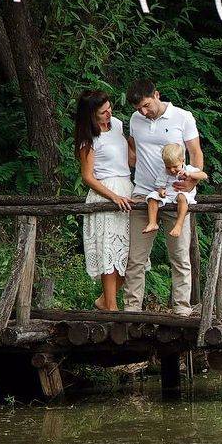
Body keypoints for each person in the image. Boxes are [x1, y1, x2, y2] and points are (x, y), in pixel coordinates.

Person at [123, 81, 203, 314]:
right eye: (139, 108)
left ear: (156, 95)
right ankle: (132, 310)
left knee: (179, 256)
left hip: (177, 192)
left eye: (146, 106)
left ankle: (181, 309)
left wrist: (192, 181)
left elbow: (196, 152)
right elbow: (134, 150)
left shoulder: (182, 117)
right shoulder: (135, 120)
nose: (143, 112)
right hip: (145, 192)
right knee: (136, 257)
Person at [74, 90, 138, 310]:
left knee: (132, 253)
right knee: (109, 250)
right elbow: (88, 176)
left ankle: (104, 301)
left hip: (127, 188)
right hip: (106, 191)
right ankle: (111, 308)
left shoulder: (118, 125)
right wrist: (113, 197)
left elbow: (129, 159)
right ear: (92, 115)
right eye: (103, 112)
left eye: (109, 107)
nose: (109, 113)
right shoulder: (88, 139)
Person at [143, 142, 207, 241]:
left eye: (175, 166)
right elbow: (159, 186)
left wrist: (190, 174)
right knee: (152, 196)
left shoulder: (188, 169)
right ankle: (152, 222)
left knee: (182, 197)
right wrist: (161, 191)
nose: (172, 170)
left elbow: (204, 175)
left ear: (182, 160)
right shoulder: (164, 172)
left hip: (183, 195)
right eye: (168, 167)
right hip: (168, 196)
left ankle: (179, 224)